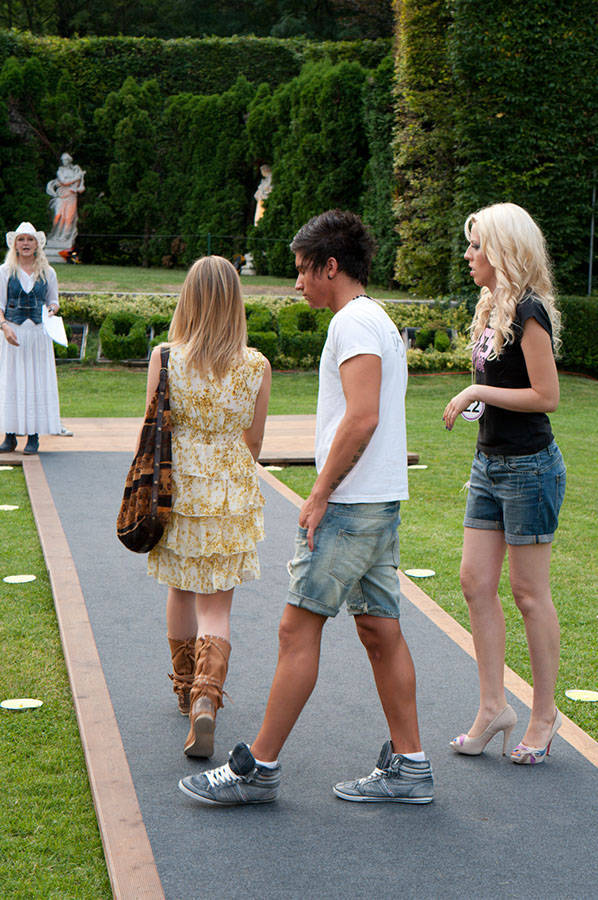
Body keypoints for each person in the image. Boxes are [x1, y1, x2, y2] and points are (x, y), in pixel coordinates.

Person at [178, 209, 434, 806]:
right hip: (376, 502)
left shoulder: (354, 323)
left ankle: (259, 767)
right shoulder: (373, 319)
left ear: (331, 266)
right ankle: (411, 765)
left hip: (349, 506)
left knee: (296, 629)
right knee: (379, 629)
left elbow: (362, 417)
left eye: (302, 269)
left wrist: (319, 494)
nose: (297, 282)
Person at [443, 202, 566, 765]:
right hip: (489, 464)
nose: (468, 254)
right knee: (474, 583)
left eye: (477, 245)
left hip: (530, 467)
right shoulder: (491, 305)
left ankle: (544, 715)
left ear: (502, 251)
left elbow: (547, 396)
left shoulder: (530, 311)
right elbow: (503, 385)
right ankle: (494, 706)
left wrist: (477, 392)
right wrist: (481, 403)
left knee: (528, 594)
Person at [144, 255, 271, 759]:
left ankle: (183, 689)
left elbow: (153, 428)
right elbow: (254, 441)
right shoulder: (256, 365)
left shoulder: (165, 358)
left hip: (178, 487)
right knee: (216, 606)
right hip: (231, 490)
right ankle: (206, 698)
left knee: (180, 588)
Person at [0, 222, 62, 454]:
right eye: (21, 239)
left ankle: (33, 436)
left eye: (30, 239)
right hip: (13, 333)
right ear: (15, 244)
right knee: (12, 380)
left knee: (36, 381)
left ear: (37, 244)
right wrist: (5, 327)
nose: (25, 244)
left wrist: (51, 311)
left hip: (38, 334)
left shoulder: (48, 272)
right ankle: (10, 436)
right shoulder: (5, 271)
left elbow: (53, 301)